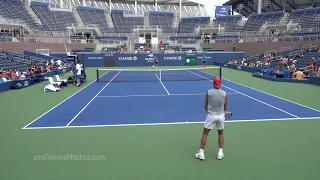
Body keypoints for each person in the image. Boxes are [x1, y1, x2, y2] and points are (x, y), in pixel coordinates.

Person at [195, 77, 228, 160]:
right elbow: (225, 107)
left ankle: (201, 153)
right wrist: (222, 112)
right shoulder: (224, 93)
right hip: (220, 116)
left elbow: (205, 105)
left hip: (211, 116)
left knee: (205, 133)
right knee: (220, 134)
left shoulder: (208, 92)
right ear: (220, 84)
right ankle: (220, 153)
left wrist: (209, 112)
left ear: (213, 83)